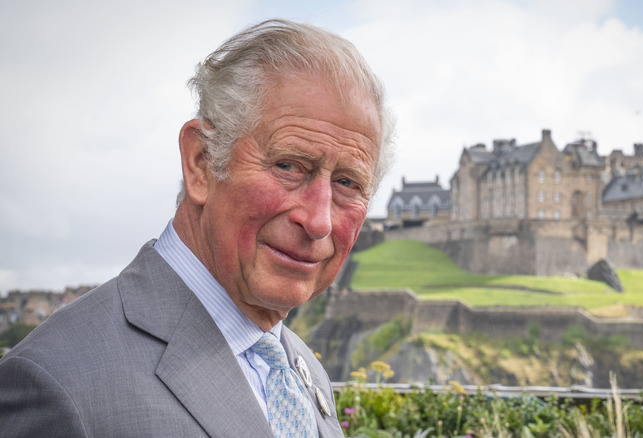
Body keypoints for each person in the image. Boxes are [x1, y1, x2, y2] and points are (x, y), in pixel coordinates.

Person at [0, 19, 393, 437]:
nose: (319, 221)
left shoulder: (299, 367)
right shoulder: (57, 382)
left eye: (347, 183)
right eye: (289, 165)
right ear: (201, 163)